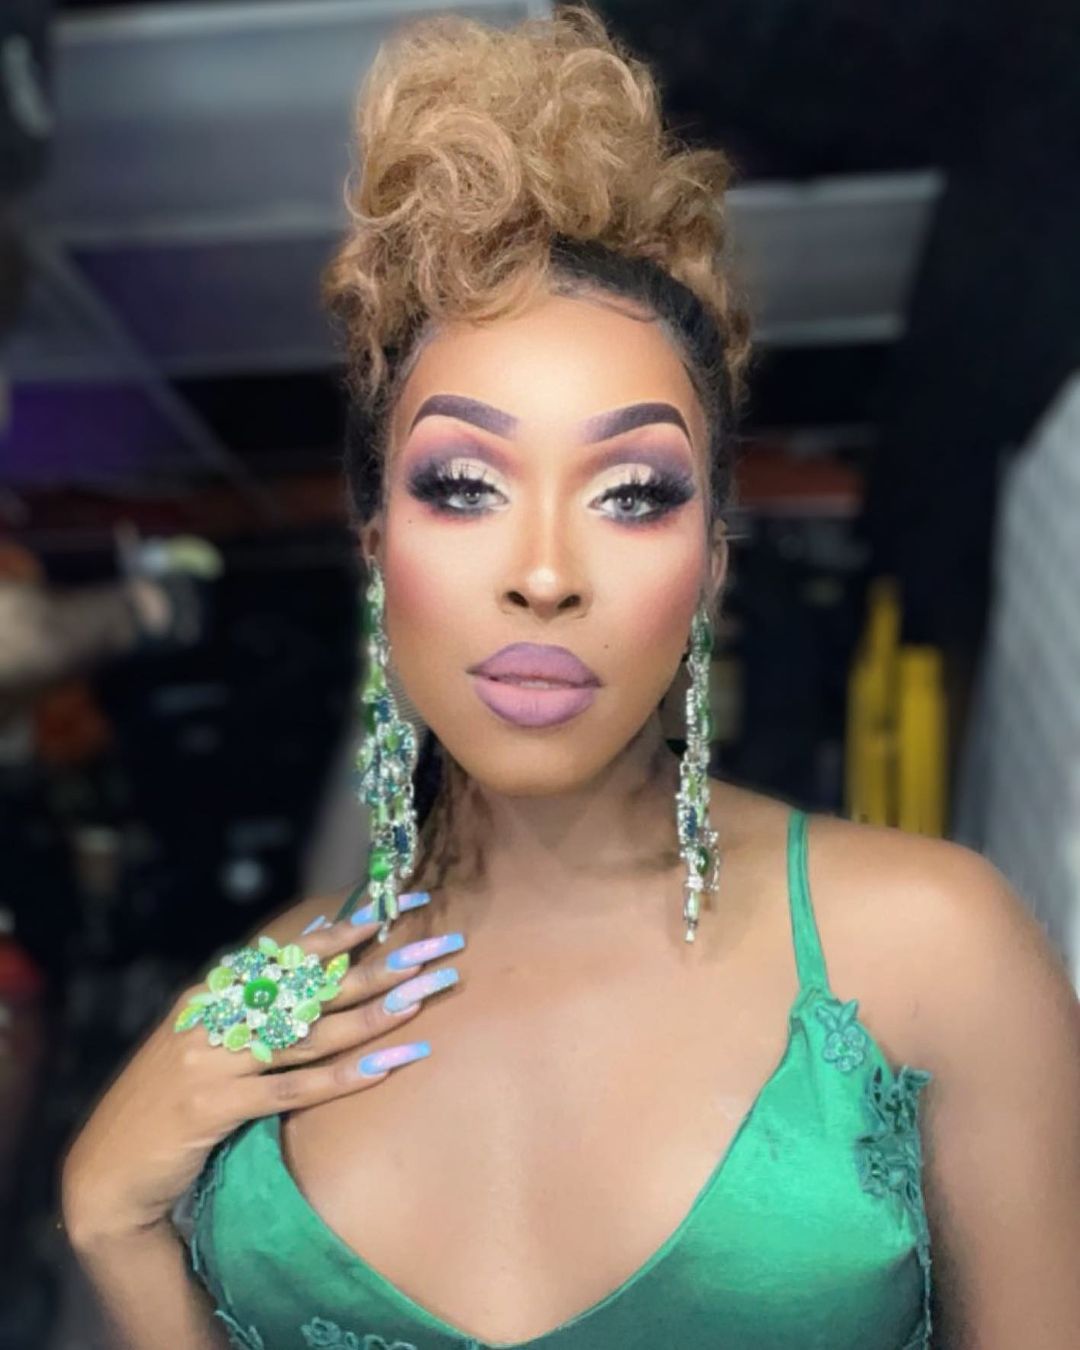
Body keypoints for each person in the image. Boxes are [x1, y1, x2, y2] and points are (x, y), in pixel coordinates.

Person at [58, 9, 1078, 1349]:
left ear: (710, 562)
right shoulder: (273, 993)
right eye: (464, 485)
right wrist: (112, 1227)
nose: (544, 573)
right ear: (377, 546)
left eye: (633, 492)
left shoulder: (936, 945)